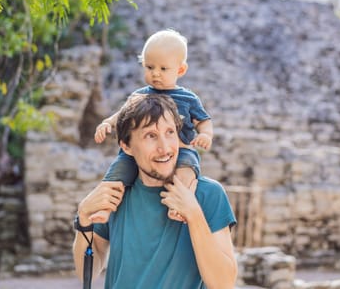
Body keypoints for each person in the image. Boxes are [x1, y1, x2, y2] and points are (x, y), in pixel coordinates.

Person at [73, 93, 237, 288]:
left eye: (170, 133)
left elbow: (224, 283)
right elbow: (87, 273)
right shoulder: (116, 193)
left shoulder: (207, 194)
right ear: (126, 146)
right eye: (151, 136)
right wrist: (83, 217)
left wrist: (193, 214)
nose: (165, 148)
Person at [93, 29, 213, 221]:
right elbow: (122, 114)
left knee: (187, 171)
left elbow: (204, 121)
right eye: (149, 67)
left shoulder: (188, 98)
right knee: (117, 172)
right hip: (141, 152)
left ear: (180, 70)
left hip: (180, 150)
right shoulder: (140, 96)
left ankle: (179, 205)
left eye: (163, 69)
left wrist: (205, 135)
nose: (155, 73)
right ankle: (105, 208)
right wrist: (107, 123)